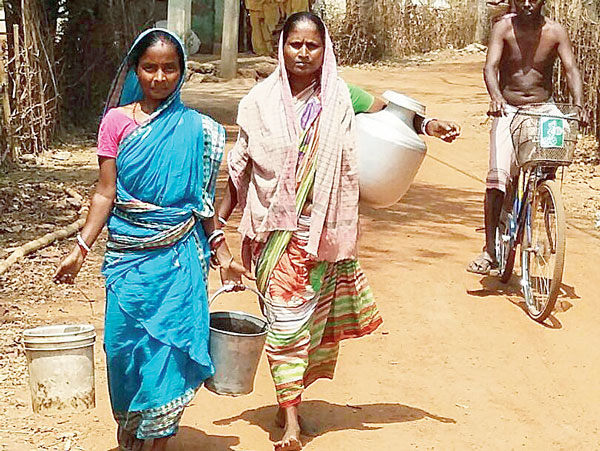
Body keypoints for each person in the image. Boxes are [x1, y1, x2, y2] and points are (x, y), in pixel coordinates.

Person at [54, 29, 246, 451]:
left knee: (168, 355)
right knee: (122, 352)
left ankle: (157, 436)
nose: (160, 77)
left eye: (169, 68)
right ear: (135, 70)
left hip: (178, 261)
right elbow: (106, 192)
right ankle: (131, 425)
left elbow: (202, 202)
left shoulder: (200, 130)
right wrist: (80, 248)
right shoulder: (116, 122)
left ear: (182, 72)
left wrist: (224, 254)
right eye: (150, 68)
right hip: (127, 260)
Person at [216, 12, 385, 451]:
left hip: (324, 234)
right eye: (296, 44)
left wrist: (427, 126)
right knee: (286, 324)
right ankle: (291, 421)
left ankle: (287, 396)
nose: (304, 53)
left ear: (324, 49)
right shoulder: (258, 102)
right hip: (275, 235)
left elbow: (387, 116)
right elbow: (241, 169)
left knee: (308, 326)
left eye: (313, 45)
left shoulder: (341, 98)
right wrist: (219, 228)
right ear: (282, 47)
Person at [467, 0, 585, 275]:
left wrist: (578, 105)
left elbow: (571, 70)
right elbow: (490, 67)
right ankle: (490, 251)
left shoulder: (556, 31)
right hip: (508, 109)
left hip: (545, 107)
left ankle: (544, 196)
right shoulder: (503, 28)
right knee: (497, 178)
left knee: (553, 155)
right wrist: (496, 98)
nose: (528, 4)